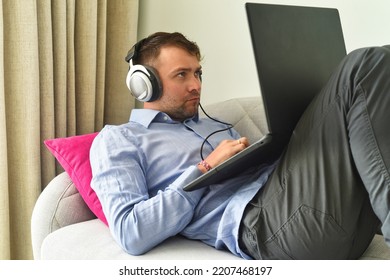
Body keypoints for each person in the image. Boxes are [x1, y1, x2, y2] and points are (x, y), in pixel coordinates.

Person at [90, 31, 390, 259]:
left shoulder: (215, 125)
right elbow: (131, 233)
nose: (196, 85)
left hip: (326, 216)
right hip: (267, 227)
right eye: (181, 75)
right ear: (144, 83)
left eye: (197, 73)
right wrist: (206, 167)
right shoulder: (118, 139)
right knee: (363, 65)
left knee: (384, 59)